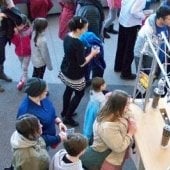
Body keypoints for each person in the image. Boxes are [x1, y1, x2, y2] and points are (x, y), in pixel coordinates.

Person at [58, 16, 99, 127]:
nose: (86, 30)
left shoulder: (67, 36)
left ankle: (64, 111)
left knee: (68, 89)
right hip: (75, 73)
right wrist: (92, 53)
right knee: (79, 93)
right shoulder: (78, 43)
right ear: (78, 29)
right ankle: (68, 116)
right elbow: (82, 62)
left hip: (65, 68)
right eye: (85, 28)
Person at [81, 90, 137, 170]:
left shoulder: (110, 109)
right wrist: (131, 132)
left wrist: (130, 117)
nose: (128, 107)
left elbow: (127, 112)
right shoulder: (108, 127)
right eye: (127, 105)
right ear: (118, 106)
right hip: (109, 160)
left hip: (115, 154)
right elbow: (119, 147)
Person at [17, 77, 67, 148]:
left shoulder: (43, 98)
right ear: (38, 93)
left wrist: (58, 122)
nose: (47, 92)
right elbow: (34, 138)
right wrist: (58, 138)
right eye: (46, 91)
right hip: (41, 144)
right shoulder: (26, 113)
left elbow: (50, 112)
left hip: (50, 134)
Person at [114, 0, 147, 80]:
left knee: (121, 45)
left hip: (123, 19)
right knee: (130, 49)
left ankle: (118, 66)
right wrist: (143, 16)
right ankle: (125, 72)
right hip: (132, 23)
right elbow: (134, 11)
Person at [134, 5, 170, 76]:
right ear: (161, 19)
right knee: (145, 80)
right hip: (149, 56)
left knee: (155, 76)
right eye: (168, 19)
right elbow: (138, 50)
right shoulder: (148, 30)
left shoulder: (167, 24)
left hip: (161, 56)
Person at [83, 77, 111, 144]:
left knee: (88, 122)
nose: (106, 85)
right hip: (96, 112)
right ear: (101, 87)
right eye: (104, 84)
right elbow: (103, 108)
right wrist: (106, 98)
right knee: (93, 125)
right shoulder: (101, 98)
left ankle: (86, 136)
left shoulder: (91, 91)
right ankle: (90, 140)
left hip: (90, 109)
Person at [0, 0, 20, 92]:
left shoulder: (5, 1)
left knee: (2, 57)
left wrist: (11, 7)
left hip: (3, 33)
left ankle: (1, 73)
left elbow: (17, 15)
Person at [11, 14, 32, 91]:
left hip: (27, 53)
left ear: (25, 23)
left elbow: (33, 40)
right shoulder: (15, 31)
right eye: (17, 24)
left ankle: (24, 82)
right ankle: (24, 77)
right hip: (19, 53)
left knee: (24, 68)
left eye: (21, 24)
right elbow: (15, 42)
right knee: (22, 66)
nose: (19, 26)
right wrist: (15, 34)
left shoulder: (29, 30)